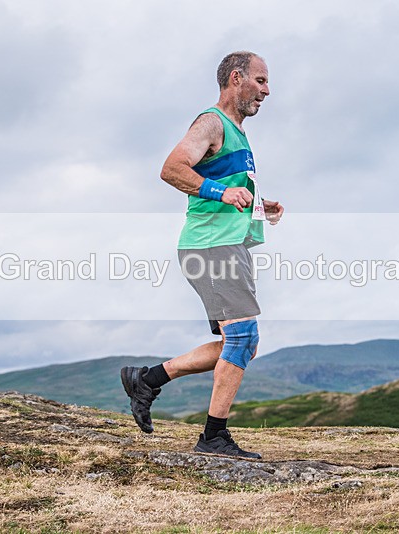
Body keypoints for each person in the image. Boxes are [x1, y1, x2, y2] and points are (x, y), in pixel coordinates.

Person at [120, 51, 284, 458]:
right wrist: (221, 192)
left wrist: (261, 207)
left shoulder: (239, 134)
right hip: (210, 246)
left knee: (239, 342)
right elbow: (173, 168)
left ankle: (148, 379)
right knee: (244, 337)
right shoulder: (211, 122)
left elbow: (227, 188)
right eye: (260, 81)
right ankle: (213, 437)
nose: (267, 90)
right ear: (235, 78)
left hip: (227, 245)